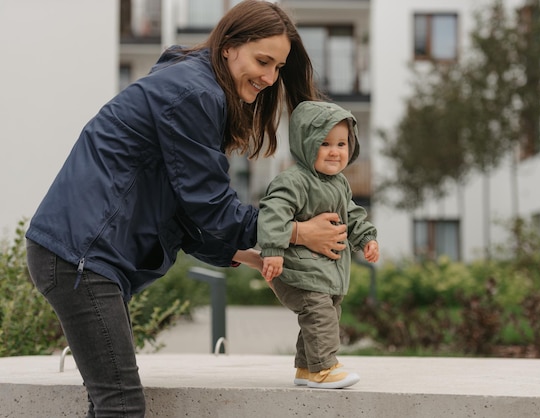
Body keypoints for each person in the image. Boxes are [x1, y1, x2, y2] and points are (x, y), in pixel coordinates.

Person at [25, 1, 349, 416]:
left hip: (80, 256)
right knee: (121, 406)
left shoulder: (192, 83)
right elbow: (212, 207)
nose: (269, 78)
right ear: (229, 45)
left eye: (278, 68)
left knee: (108, 404)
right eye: (262, 60)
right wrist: (297, 232)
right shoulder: (193, 94)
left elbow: (184, 214)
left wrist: (254, 257)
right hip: (81, 256)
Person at [258, 101, 379, 390]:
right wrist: (272, 252)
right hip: (297, 270)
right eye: (325, 144)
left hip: (325, 273)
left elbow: (352, 215)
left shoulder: (339, 184)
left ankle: (305, 368)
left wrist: (366, 238)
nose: (335, 151)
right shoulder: (293, 182)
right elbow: (273, 214)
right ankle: (324, 369)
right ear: (306, 144)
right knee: (320, 316)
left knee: (325, 315)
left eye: (341, 143)